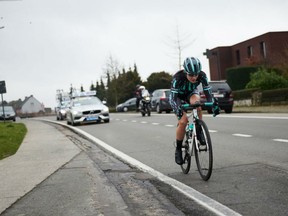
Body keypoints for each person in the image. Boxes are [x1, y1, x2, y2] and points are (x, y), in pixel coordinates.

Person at [169, 57, 220, 165]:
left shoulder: (202, 75)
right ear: (185, 72)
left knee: (198, 104)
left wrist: (213, 104)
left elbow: (207, 92)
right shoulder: (177, 78)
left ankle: (199, 129)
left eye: (196, 74)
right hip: (177, 96)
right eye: (191, 75)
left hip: (191, 93)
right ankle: (178, 149)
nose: (194, 77)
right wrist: (178, 110)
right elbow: (173, 98)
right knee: (183, 121)